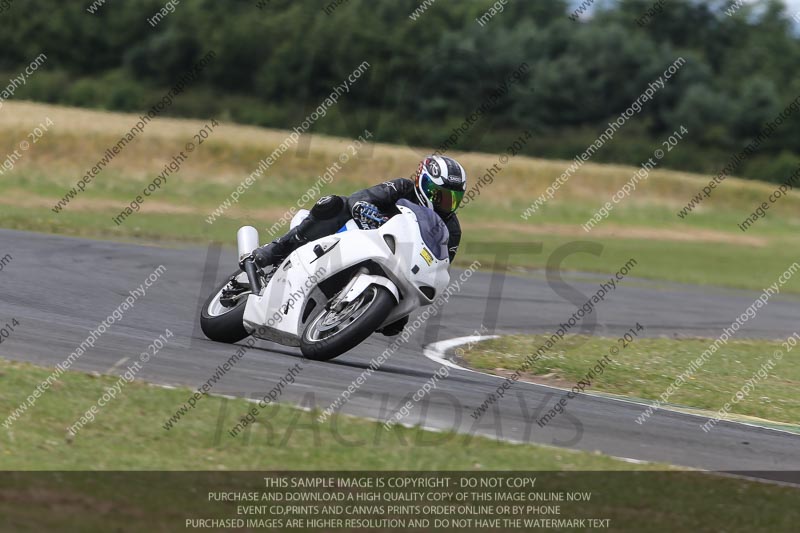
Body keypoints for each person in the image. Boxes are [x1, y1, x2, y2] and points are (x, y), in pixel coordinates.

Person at [239, 155, 467, 335]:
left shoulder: (452, 229)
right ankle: (273, 250)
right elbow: (361, 196)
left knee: (394, 326)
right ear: (423, 183)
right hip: (359, 235)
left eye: (452, 199)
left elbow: (440, 263)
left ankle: (361, 310)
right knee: (335, 204)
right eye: (440, 196)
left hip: (399, 265)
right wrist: (363, 208)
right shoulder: (402, 188)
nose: (446, 204)